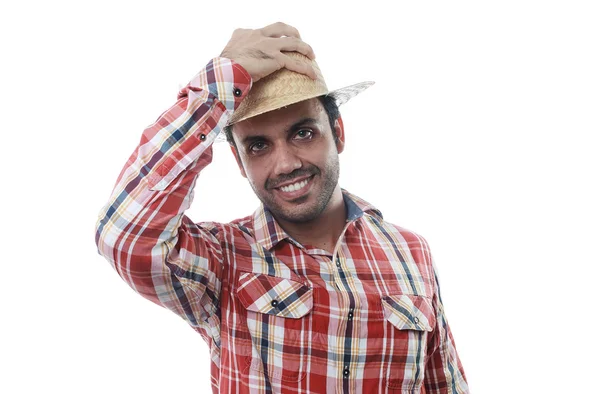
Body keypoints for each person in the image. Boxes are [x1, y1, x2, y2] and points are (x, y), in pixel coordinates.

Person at [95, 22, 469, 394]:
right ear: (240, 163)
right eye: (258, 146)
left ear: (338, 132)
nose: (286, 164)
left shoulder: (410, 252)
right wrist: (218, 86)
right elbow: (124, 235)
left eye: (303, 133)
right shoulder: (222, 258)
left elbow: (444, 384)